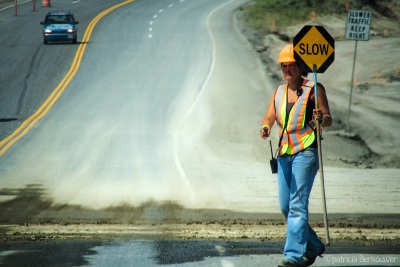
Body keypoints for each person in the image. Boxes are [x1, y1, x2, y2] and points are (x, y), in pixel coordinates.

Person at [260, 44, 332, 267]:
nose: (287, 69)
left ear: (301, 67)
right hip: (284, 153)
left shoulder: (314, 89)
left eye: (291, 65)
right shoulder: (279, 91)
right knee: (285, 206)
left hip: (306, 150)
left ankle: (293, 255)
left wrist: (322, 117)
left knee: (297, 205)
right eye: (283, 66)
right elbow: (270, 116)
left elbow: (328, 119)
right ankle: (313, 246)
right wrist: (265, 126)